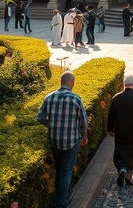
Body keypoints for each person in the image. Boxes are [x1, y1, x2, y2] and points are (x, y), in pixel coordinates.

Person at [36, 71, 88, 208]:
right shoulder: (76, 99)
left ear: (61, 82)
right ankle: (61, 203)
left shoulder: (49, 97)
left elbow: (39, 117)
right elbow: (83, 122)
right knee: (66, 171)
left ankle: (63, 194)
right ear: (72, 82)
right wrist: (84, 136)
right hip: (71, 142)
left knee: (60, 169)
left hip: (54, 140)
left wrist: (52, 125)